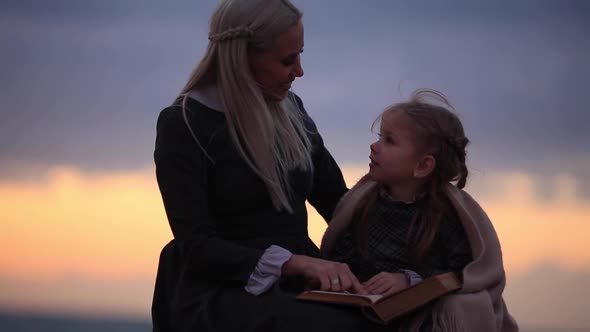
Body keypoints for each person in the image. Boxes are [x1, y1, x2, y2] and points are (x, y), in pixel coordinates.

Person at [151, 1, 397, 331]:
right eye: (287, 60)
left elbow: (340, 205)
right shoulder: (184, 123)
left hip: (298, 279)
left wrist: (403, 270)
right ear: (242, 59)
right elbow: (196, 245)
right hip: (222, 289)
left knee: (395, 315)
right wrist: (293, 263)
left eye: (300, 55)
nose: (299, 71)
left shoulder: (292, 110)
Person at [321, 89, 519, 331]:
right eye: (380, 136)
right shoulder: (363, 204)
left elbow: (460, 270)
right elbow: (341, 255)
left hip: (425, 315)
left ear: (423, 165)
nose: (374, 146)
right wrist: (347, 282)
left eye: (389, 141)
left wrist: (409, 280)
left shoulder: (445, 213)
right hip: (366, 310)